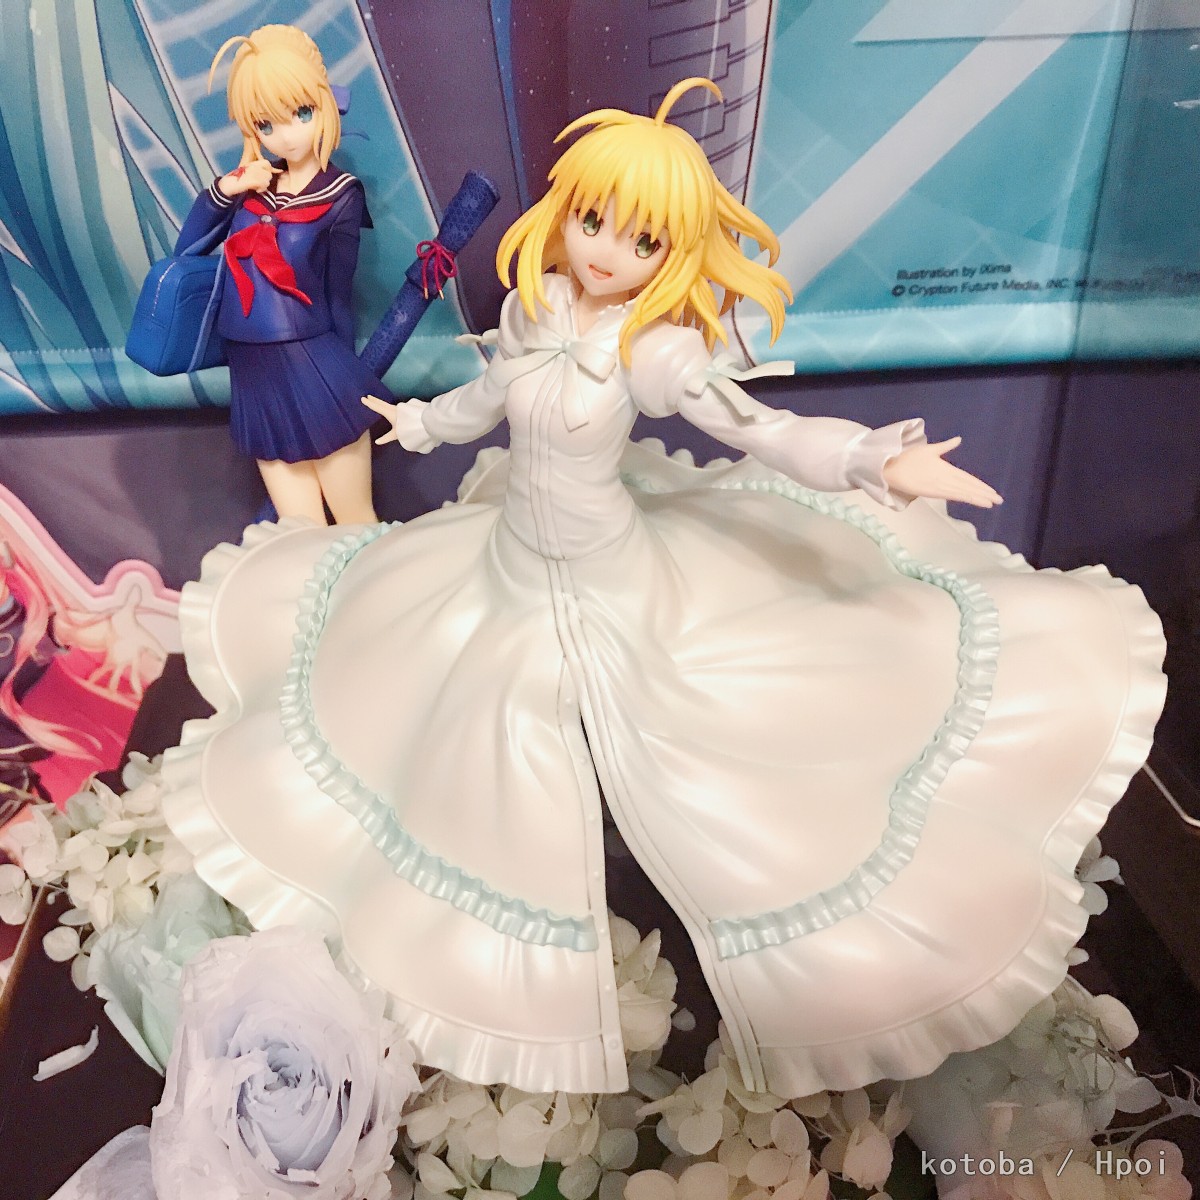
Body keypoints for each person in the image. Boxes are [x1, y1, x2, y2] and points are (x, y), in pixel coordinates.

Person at [162, 80, 1165, 1098]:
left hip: (617, 576)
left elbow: (760, 430)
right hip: (506, 565)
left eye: (641, 239)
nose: (606, 250)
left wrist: (875, 459)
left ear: (672, 252)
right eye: (593, 220)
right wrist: (422, 425)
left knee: (699, 746)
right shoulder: (538, 306)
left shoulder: (655, 352)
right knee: (436, 726)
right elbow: (489, 394)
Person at [173, 24, 386, 525]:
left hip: (310, 358)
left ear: (323, 104)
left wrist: (342, 372)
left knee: (355, 519)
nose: (285, 135)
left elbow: (338, 293)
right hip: (251, 368)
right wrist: (226, 189)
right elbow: (187, 251)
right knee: (301, 531)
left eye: (301, 113)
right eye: (265, 124)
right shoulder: (252, 186)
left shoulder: (341, 195)